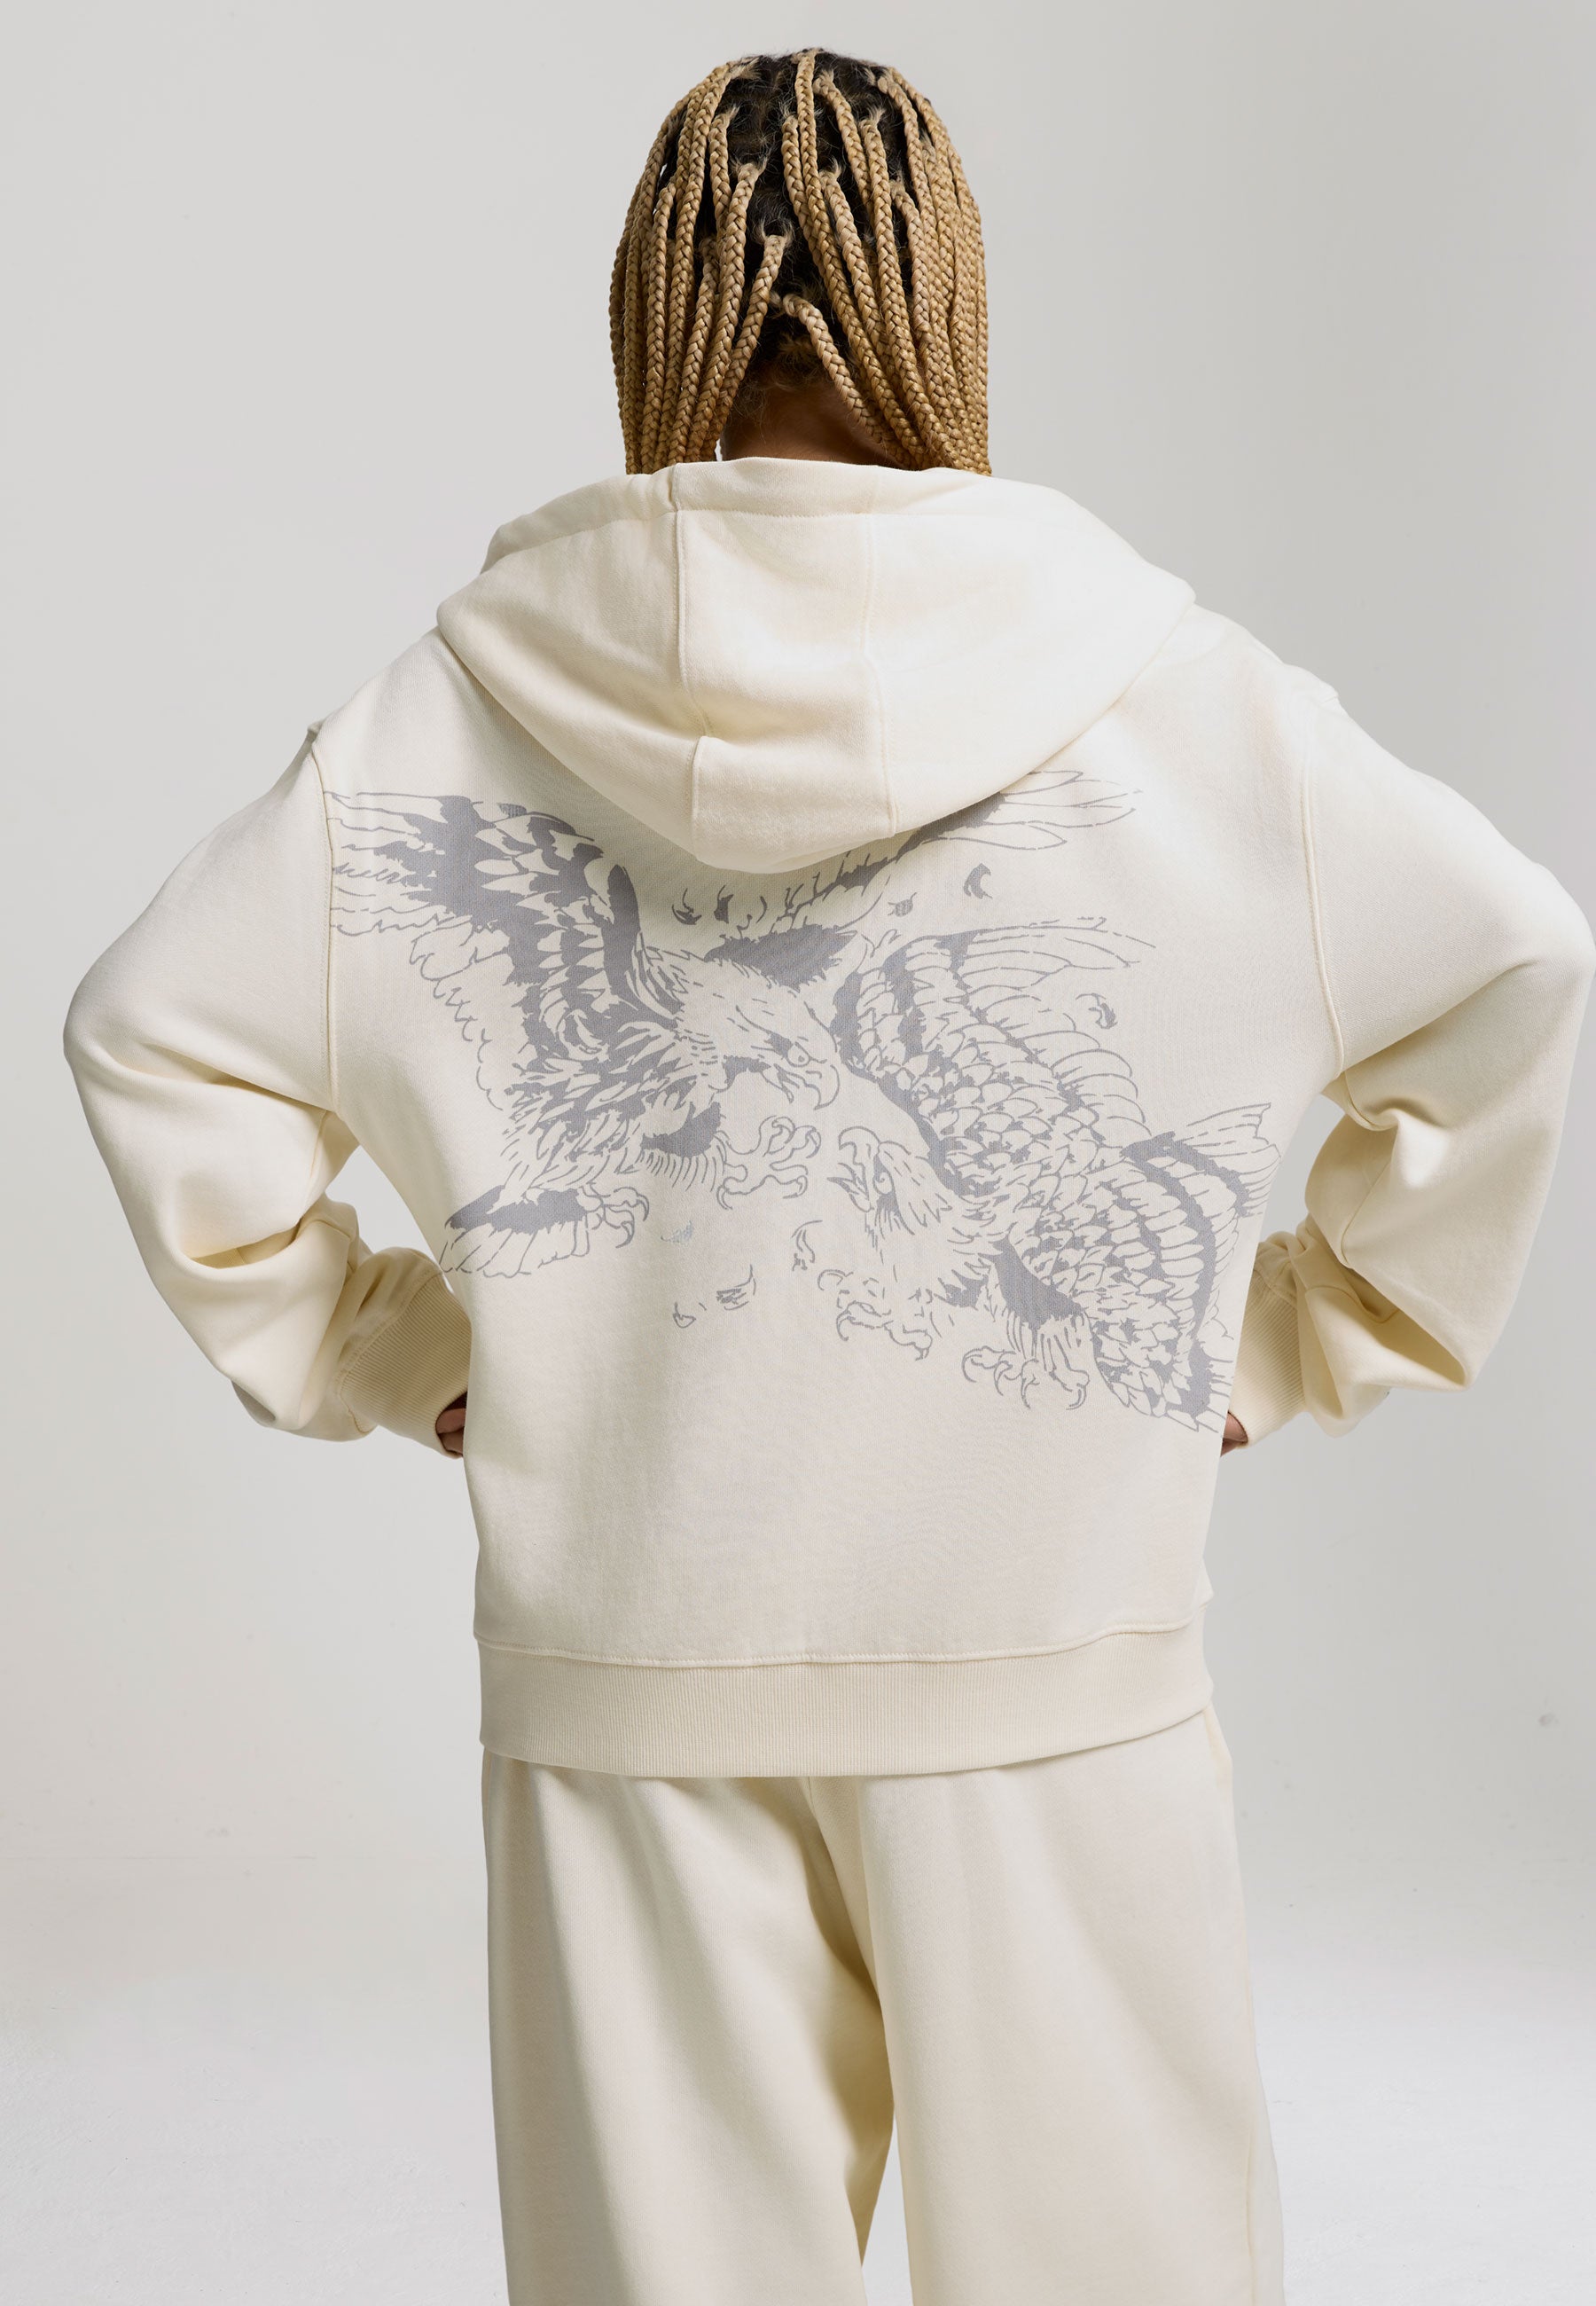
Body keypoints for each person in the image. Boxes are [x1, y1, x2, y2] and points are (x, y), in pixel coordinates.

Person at [64, 46, 1591, 2306]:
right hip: (1056, 1689)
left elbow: (150, 1028)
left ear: (647, 321)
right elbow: (1513, 963)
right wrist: (1292, 1328)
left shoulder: (439, 722)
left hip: (628, 1697)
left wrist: (397, 1347)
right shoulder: (1190, 706)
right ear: (947, 309)